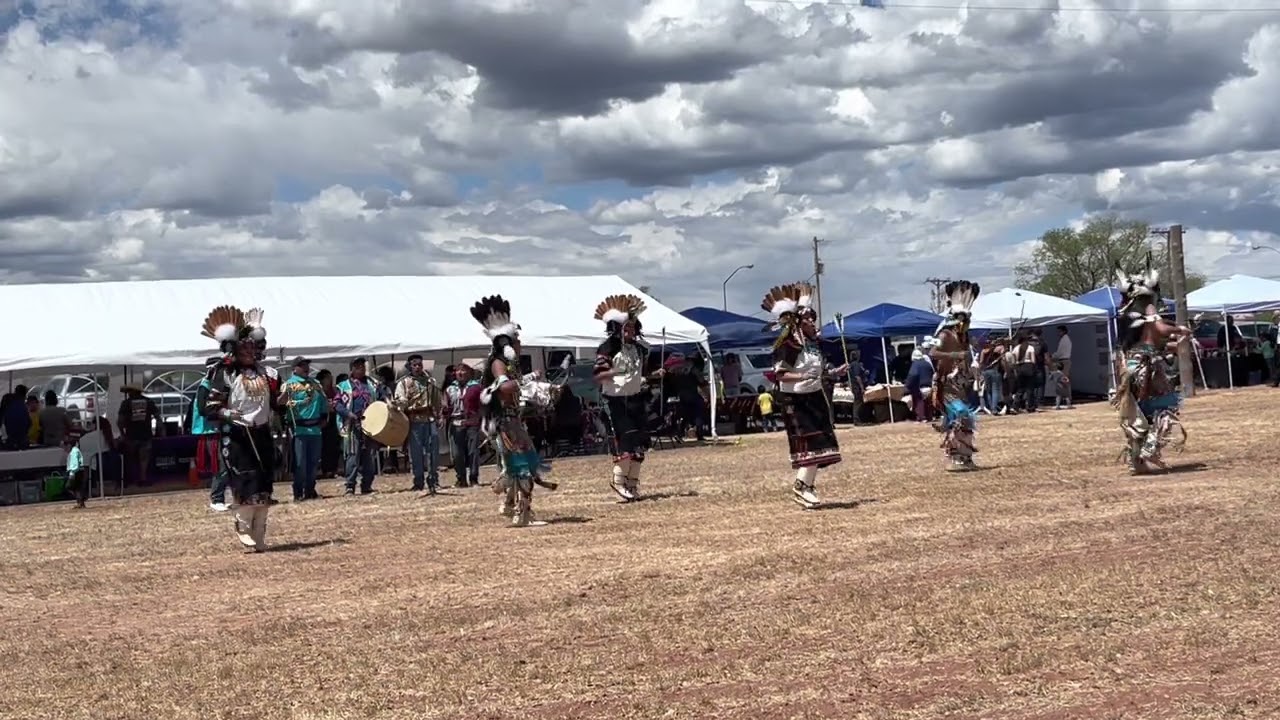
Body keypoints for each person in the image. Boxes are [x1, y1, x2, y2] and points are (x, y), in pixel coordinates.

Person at [195, 306, 278, 551]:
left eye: (252, 348)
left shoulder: (266, 374)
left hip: (261, 434)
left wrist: (283, 403)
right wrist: (228, 414)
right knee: (245, 482)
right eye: (244, 348)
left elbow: (276, 402)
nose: (249, 352)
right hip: (238, 437)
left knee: (264, 484)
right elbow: (208, 407)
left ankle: (260, 532)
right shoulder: (226, 375)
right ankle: (243, 526)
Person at [761, 282, 847, 509]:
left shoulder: (813, 344)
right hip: (795, 401)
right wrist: (800, 378)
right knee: (810, 442)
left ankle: (805, 486)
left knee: (821, 442)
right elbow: (778, 374)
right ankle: (801, 486)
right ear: (799, 321)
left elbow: (817, 370)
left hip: (815, 396)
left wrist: (833, 372)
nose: (813, 322)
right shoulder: (790, 344)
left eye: (814, 319)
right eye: (809, 319)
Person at [471, 295, 548, 526]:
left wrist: (533, 383)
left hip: (510, 419)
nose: (520, 342)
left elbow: (509, 386)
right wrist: (529, 381)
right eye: (517, 339)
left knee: (520, 464)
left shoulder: (506, 364)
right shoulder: (498, 362)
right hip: (505, 422)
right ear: (508, 344)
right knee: (523, 464)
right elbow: (504, 387)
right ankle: (521, 513)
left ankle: (514, 507)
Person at [1113, 266, 1193, 474]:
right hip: (1146, 366)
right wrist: (1179, 329)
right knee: (1165, 408)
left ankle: (1137, 462)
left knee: (1139, 413)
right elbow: (1159, 329)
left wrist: (1171, 344)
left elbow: (1149, 340)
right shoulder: (1148, 307)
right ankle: (1149, 449)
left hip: (1129, 366)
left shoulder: (1126, 315)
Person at [592, 293, 662, 502]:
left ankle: (632, 484)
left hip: (635, 398)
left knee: (640, 440)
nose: (630, 331)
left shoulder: (639, 349)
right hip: (614, 401)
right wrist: (614, 372)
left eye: (632, 327)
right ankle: (619, 480)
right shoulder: (608, 348)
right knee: (625, 440)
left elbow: (640, 374)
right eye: (626, 327)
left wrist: (652, 375)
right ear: (617, 328)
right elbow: (597, 375)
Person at [930, 281, 981, 471]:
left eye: (966, 320)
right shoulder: (944, 335)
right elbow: (932, 353)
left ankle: (964, 457)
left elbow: (967, 359)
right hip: (946, 382)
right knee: (960, 414)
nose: (964, 324)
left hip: (960, 383)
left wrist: (971, 367)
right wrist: (954, 355)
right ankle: (956, 457)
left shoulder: (964, 338)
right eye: (962, 320)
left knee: (964, 418)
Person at [279, 357, 327, 501]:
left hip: (316, 429)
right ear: (294, 368)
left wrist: (324, 417)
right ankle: (298, 491)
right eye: (302, 365)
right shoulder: (289, 385)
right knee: (300, 463)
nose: (306, 368)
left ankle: (310, 490)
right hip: (298, 429)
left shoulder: (316, 384)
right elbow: (281, 404)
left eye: (307, 365)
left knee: (313, 463)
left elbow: (323, 401)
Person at [335, 358, 386, 495]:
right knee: (353, 455)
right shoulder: (343, 386)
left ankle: (367, 485)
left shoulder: (373, 384)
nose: (361, 369)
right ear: (351, 369)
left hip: (371, 424)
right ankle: (350, 486)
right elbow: (337, 404)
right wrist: (348, 413)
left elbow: (383, 398)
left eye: (363, 366)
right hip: (353, 425)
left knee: (370, 456)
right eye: (358, 367)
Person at [394, 354, 442, 493]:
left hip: (429, 419)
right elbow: (401, 400)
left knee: (433, 451)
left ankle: (433, 479)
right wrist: (399, 404)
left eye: (419, 364)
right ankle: (418, 481)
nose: (417, 367)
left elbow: (437, 400)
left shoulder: (430, 381)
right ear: (410, 366)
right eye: (414, 365)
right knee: (416, 454)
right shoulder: (403, 383)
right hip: (414, 420)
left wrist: (440, 416)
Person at [193, 356, 232, 512]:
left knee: (226, 463)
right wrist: (222, 413)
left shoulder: (219, 386)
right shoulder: (205, 386)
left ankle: (221, 496)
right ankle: (216, 499)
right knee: (220, 465)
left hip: (219, 430)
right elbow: (203, 410)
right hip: (210, 432)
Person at [442, 362, 482, 487]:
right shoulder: (449, 389)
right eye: (458, 370)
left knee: (473, 452)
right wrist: (443, 413)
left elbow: (483, 405)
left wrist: (481, 418)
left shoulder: (477, 387)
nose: (460, 373)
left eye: (463, 370)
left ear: (470, 372)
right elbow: (445, 406)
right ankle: (461, 478)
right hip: (455, 422)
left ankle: (474, 478)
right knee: (457, 453)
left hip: (472, 422)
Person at [116, 384, 161, 486]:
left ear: (131, 392)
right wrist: (160, 431)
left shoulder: (126, 404)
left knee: (130, 459)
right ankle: (142, 479)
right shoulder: (149, 402)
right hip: (146, 434)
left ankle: (130, 479)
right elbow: (158, 417)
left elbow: (120, 421)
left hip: (131, 435)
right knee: (144, 459)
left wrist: (122, 433)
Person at [66, 439, 88, 509]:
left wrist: (72, 473)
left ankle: (81, 499)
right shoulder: (75, 451)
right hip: (79, 471)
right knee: (77, 487)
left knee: (70, 487)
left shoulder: (74, 451)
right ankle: (81, 501)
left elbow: (75, 463)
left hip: (76, 471)